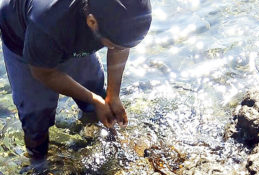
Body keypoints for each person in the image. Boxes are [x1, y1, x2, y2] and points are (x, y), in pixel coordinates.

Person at [0, 0, 152, 159]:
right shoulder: (47, 21)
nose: (117, 49)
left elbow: (121, 47)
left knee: (96, 92)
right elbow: (43, 73)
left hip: (69, 28)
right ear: (92, 22)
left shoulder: (124, 14)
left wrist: (112, 95)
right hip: (22, 37)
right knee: (36, 117)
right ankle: (39, 167)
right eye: (113, 45)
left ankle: (97, 138)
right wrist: (94, 100)